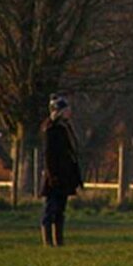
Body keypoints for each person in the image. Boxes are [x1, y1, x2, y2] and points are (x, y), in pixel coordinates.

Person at [39, 94, 83, 246]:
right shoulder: (51, 130)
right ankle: (48, 241)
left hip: (65, 174)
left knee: (60, 210)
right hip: (55, 176)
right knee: (50, 208)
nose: (69, 112)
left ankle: (59, 240)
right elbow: (49, 155)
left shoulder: (65, 128)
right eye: (66, 110)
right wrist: (52, 175)